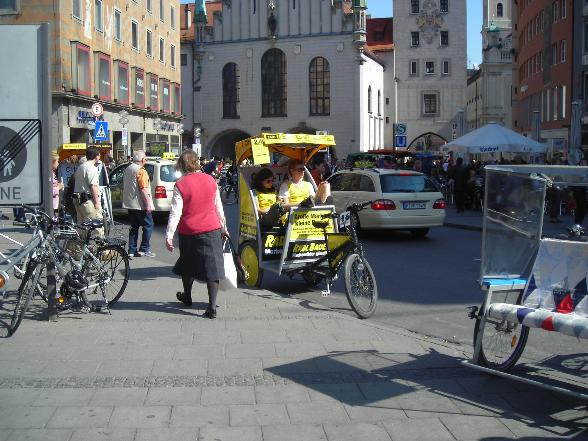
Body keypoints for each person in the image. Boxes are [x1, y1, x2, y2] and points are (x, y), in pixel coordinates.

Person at [165, 149, 227, 319]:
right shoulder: (211, 180)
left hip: (189, 231)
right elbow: (218, 207)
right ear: (197, 162)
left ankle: (187, 296)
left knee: (187, 264)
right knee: (212, 267)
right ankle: (212, 307)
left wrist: (169, 235)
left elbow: (175, 212)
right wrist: (224, 227)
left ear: (183, 165)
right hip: (212, 229)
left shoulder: (181, 184)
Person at [123, 150, 156, 257]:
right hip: (140, 205)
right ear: (142, 160)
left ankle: (131, 250)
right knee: (148, 226)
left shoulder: (128, 168)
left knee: (134, 227)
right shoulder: (141, 171)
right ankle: (144, 249)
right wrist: (148, 205)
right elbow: (143, 189)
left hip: (130, 204)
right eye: (145, 159)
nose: (146, 160)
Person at [73, 146, 103, 235]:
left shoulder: (81, 167)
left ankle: (80, 248)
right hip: (88, 202)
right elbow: (93, 186)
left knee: (81, 228)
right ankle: (99, 249)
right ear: (96, 156)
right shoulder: (91, 168)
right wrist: (97, 203)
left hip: (78, 201)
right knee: (96, 229)